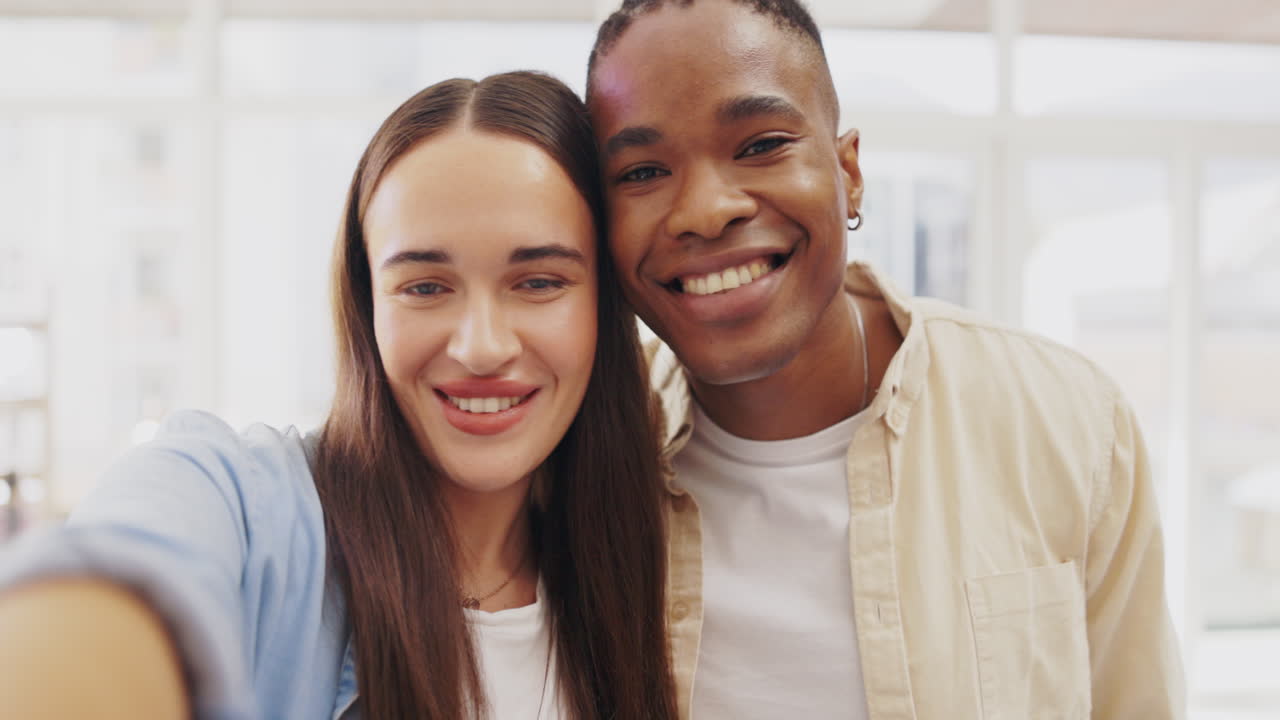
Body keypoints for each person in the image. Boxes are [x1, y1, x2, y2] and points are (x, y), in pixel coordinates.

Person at [0, 71, 677, 720]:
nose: (481, 347)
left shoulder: (646, 567)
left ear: (602, 307)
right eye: (424, 287)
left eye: (538, 282)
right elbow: (119, 574)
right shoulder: (247, 508)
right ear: (367, 307)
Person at [585, 1, 1185, 718]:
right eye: (643, 171)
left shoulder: (1065, 421)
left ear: (849, 174)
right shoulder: (581, 461)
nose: (707, 210)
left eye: (760, 145)